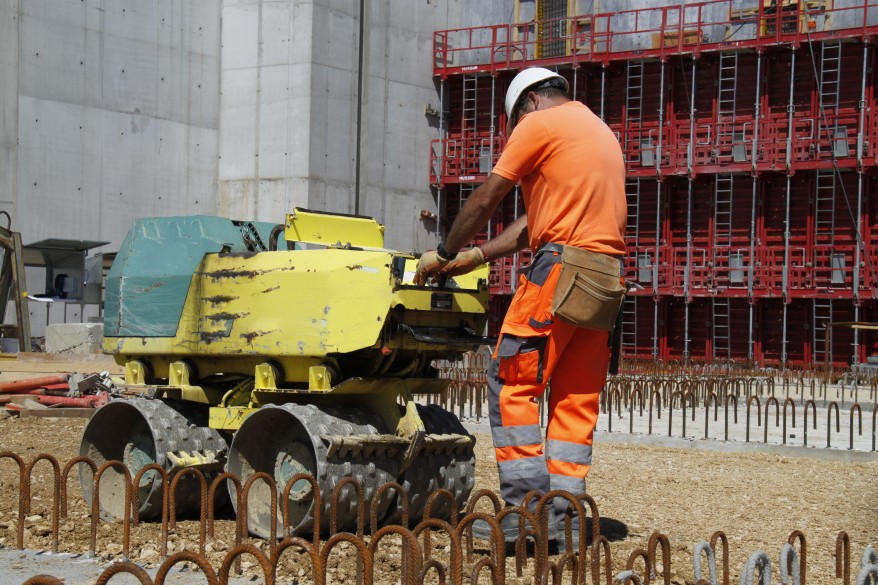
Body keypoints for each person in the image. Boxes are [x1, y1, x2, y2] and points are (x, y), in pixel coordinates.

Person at [414, 67, 627, 543]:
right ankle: (567, 516)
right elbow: (535, 224)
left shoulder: (539, 124)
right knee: (574, 397)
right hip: (604, 279)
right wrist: (475, 256)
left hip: (559, 272)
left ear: (528, 103)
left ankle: (526, 513)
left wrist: (446, 250)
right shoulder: (597, 130)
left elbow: (489, 197)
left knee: (511, 380)